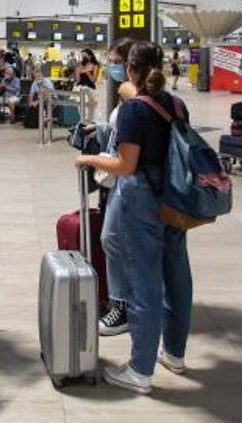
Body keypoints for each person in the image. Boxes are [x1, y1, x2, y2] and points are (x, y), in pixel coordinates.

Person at [73, 41, 193, 395]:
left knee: (144, 283)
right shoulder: (177, 104)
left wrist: (90, 160)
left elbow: (125, 166)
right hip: (174, 198)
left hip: (140, 199)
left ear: (130, 69)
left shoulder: (132, 111)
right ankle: (174, 352)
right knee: (177, 275)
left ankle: (140, 370)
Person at [96, 37, 136, 337]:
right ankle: (125, 301)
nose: (111, 67)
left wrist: (92, 158)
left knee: (113, 239)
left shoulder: (135, 96)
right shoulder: (127, 95)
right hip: (120, 180)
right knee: (114, 240)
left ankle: (121, 305)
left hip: (129, 182)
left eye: (115, 62)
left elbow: (128, 158)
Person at [75, 48, 98, 121]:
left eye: (85, 56)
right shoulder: (80, 65)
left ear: (90, 56)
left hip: (89, 88)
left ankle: (89, 122)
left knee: (89, 108)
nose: (83, 57)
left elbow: (94, 80)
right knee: (81, 108)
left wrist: (88, 74)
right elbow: (78, 79)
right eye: (82, 56)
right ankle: (82, 122)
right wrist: (78, 71)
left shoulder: (94, 66)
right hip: (81, 88)